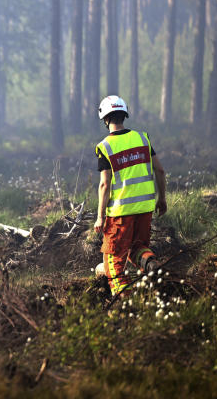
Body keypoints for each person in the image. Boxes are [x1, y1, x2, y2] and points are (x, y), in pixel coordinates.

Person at [92, 95, 168, 295]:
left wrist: (100, 216)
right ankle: (151, 264)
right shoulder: (142, 138)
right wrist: (162, 199)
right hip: (145, 209)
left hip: (120, 213)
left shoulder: (105, 147)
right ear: (124, 115)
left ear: (105, 119)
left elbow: (104, 184)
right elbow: (159, 171)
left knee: (113, 264)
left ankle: (125, 305)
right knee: (138, 248)